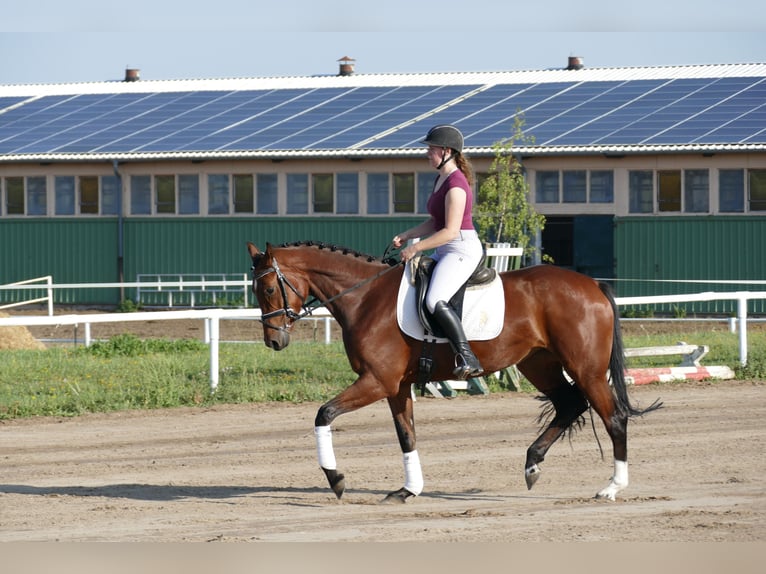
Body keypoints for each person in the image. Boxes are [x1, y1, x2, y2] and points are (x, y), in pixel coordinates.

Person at [392, 124, 484, 379]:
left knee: (434, 299)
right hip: (445, 246)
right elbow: (436, 221)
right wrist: (408, 235)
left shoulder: (456, 184)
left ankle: (468, 357)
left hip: (461, 248)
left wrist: (417, 248)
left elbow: (451, 230)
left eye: (430, 149)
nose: (427, 153)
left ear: (445, 151)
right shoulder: (441, 178)